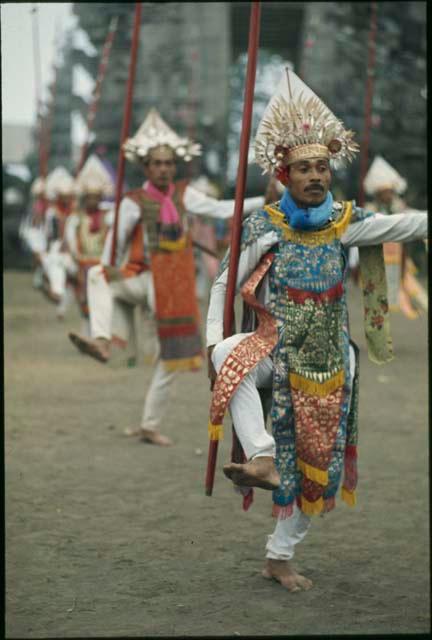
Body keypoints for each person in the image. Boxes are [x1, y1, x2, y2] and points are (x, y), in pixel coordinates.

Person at [206, 69, 427, 592]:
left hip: (328, 362)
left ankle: (279, 557)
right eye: (304, 168)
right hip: (276, 345)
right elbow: (223, 282)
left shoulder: (346, 221)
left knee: (314, 470)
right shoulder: (266, 225)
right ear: (284, 174)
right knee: (227, 358)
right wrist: (214, 335)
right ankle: (260, 454)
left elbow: (410, 225)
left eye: (322, 168)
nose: (315, 177)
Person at [68, 108, 265, 446]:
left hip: (172, 287)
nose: (163, 168)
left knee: (172, 356)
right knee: (98, 274)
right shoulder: (132, 202)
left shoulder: (184, 194)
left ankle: (149, 423)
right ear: (145, 167)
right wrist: (106, 269)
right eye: (156, 163)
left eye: (168, 163)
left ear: (174, 167)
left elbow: (221, 209)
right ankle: (100, 339)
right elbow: (114, 245)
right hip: (139, 279)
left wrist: (266, 200)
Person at [362, 155, 428, 318]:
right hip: (377, 254)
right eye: (385, 192)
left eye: (390, 191)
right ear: (378, 193)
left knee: (406, 280)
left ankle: (415, 304)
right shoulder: (369, 208)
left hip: (398, 253)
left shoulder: (398, 206)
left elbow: (411, 217)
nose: (389, 195)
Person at [64, 155, 114, 336]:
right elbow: (71, 241)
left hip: (102, 266)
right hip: (84, 265)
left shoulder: (108, 217)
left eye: (96, 197)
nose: (93, 201)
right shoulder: (76, 219)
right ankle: (87, 334)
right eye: (90, 197)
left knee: (103, 301)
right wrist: (77, 263)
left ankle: (102, 335)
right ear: (85, 198)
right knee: (85, 301)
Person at [42, 167, 78, 319]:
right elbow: (48, 234)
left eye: (67, 196)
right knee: (54, 263)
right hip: (57, 248)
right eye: (62, 196)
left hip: (74, 249)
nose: (65, 199)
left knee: (74, 277)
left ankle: (62, 307)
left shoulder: (75, 212)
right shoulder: (51, 212)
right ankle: (53, 290)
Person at [19, 176, 48, 289]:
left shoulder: (44, 204)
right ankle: (38, 275)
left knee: (40, 255)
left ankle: (39, 274)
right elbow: (34, 220)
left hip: (40, 232)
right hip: (33, 232)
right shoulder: (34, 204)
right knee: (38, 255)